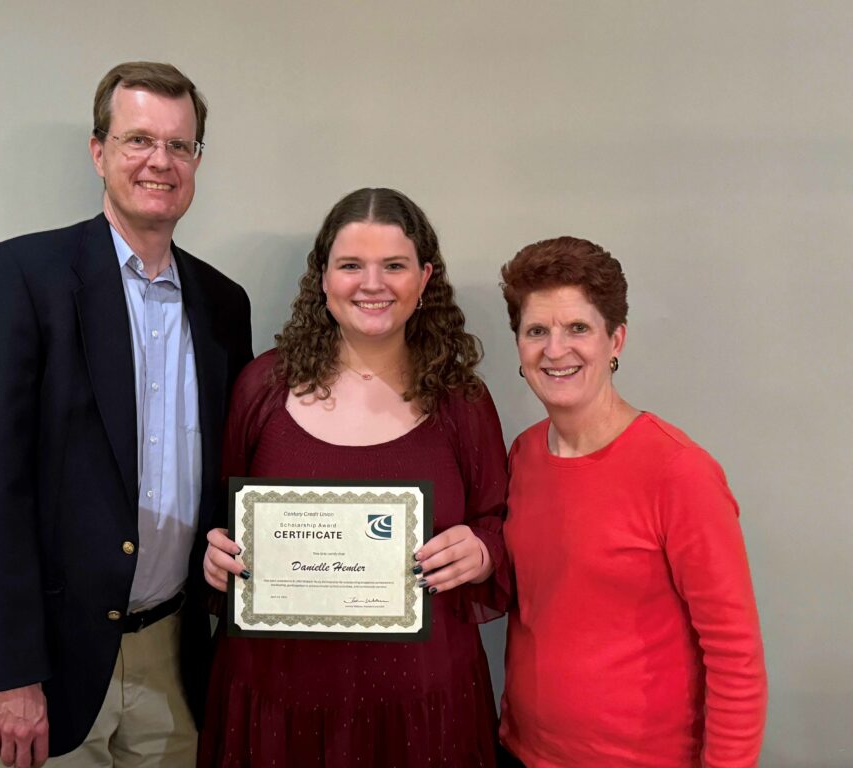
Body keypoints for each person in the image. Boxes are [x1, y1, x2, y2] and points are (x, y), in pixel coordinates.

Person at [0, 61, 253, 768]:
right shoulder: (24, 276)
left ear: (196, 161)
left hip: (175, 664)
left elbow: (225, 481)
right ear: (98, 151)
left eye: (179, 145)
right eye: (138, 139)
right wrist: (9, 672)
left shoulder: (223, 304)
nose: (160, 161)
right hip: (47, 668)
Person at [200, 187, 509, 767]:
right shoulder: (260, 388)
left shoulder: (461, 400)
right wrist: (216, 556)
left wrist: (484, 552)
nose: (372, 284)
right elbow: (222, 519)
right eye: (350, 265)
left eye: (393, 265)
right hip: (277, 703)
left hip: (424, 709)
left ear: (424, 277)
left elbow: (499, 523)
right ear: (322, 277)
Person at [497, 237, 767, 767]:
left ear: (615, 339)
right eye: (536, 331)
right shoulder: (523, 455)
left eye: (578, 328)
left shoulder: (679, 471)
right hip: (521, 752)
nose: (555, 349)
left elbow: (736, 656)